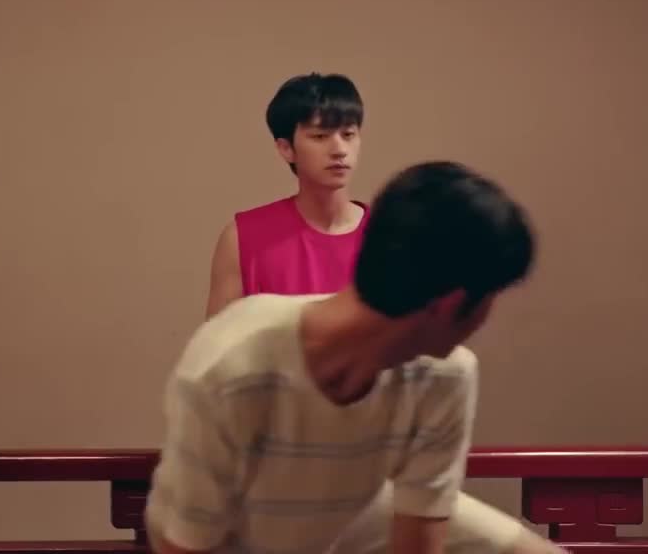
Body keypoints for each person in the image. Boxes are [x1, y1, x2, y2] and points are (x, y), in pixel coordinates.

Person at [147, 161, 561, 554]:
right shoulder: (233, 364)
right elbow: (185, 546)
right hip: (225, 528)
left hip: (355, 504)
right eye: (490, 299)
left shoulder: (447, 375)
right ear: (451, 303)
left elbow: (419, 542)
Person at [207, 73, 369, 319]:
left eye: (348, 134)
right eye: (320, 136)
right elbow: (220, 341)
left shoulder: (393, 235)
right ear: (286, 148)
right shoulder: (242, 238)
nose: (339, 149)